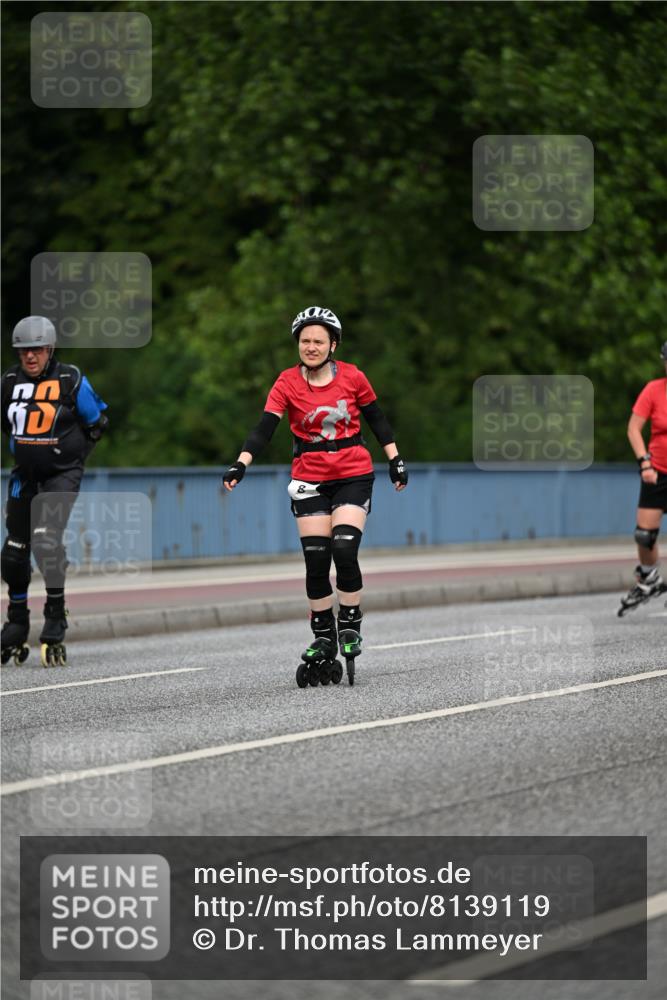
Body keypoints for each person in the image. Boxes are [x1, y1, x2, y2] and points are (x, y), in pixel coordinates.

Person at [223, 306, 408, 686]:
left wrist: (395, 460)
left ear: (332, 345)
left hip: (353, 475)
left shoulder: (353, 377)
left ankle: (351, 622)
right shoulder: (287, 382)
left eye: (318, 341)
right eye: (305, 341)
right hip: (309, 478)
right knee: (316, 560)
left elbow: (377, 420)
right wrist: (240, 464)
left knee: (344, 548)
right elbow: (264, 428)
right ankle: (323, 637)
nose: (310, 347)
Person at [1, 316, 108, 665]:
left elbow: (97, 423)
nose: (29, 357)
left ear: (50, 349)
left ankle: (55, 613)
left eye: (36, 350)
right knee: (13, 552)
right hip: (25, 476)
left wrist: (72, 458)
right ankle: (16, 622)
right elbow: (7, 425)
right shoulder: (9, 382)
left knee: (46, 541)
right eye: (23, 351)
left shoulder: (70, 379)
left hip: (61, 476)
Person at [619, 340, 667, 615]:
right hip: (657, 472)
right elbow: (633, 429)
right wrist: (644, 463)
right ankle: (649, 578)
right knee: (644, 535)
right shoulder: (653, 390)